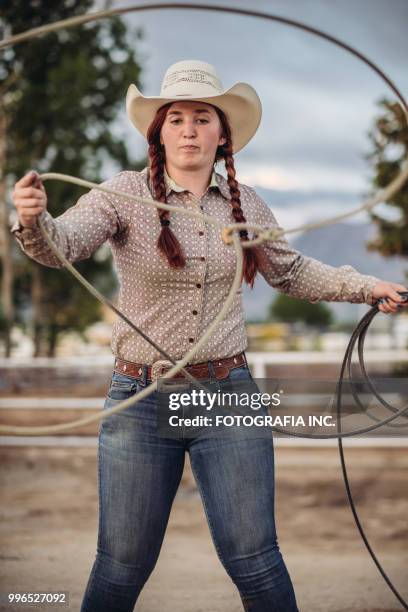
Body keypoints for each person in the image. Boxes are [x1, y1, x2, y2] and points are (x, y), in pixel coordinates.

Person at [11, 59, 407, 612]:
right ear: (160, 131)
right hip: (140, 400)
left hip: (227, 395)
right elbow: (66, 244)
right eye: (176, 118)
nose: (189, 129)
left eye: (202, 118)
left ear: (223, 134)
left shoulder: (247, 205)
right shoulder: (122, 194)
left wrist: (368, 287)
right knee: (121, 564)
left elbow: (290, 271)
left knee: (256, 559)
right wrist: (34, 220)